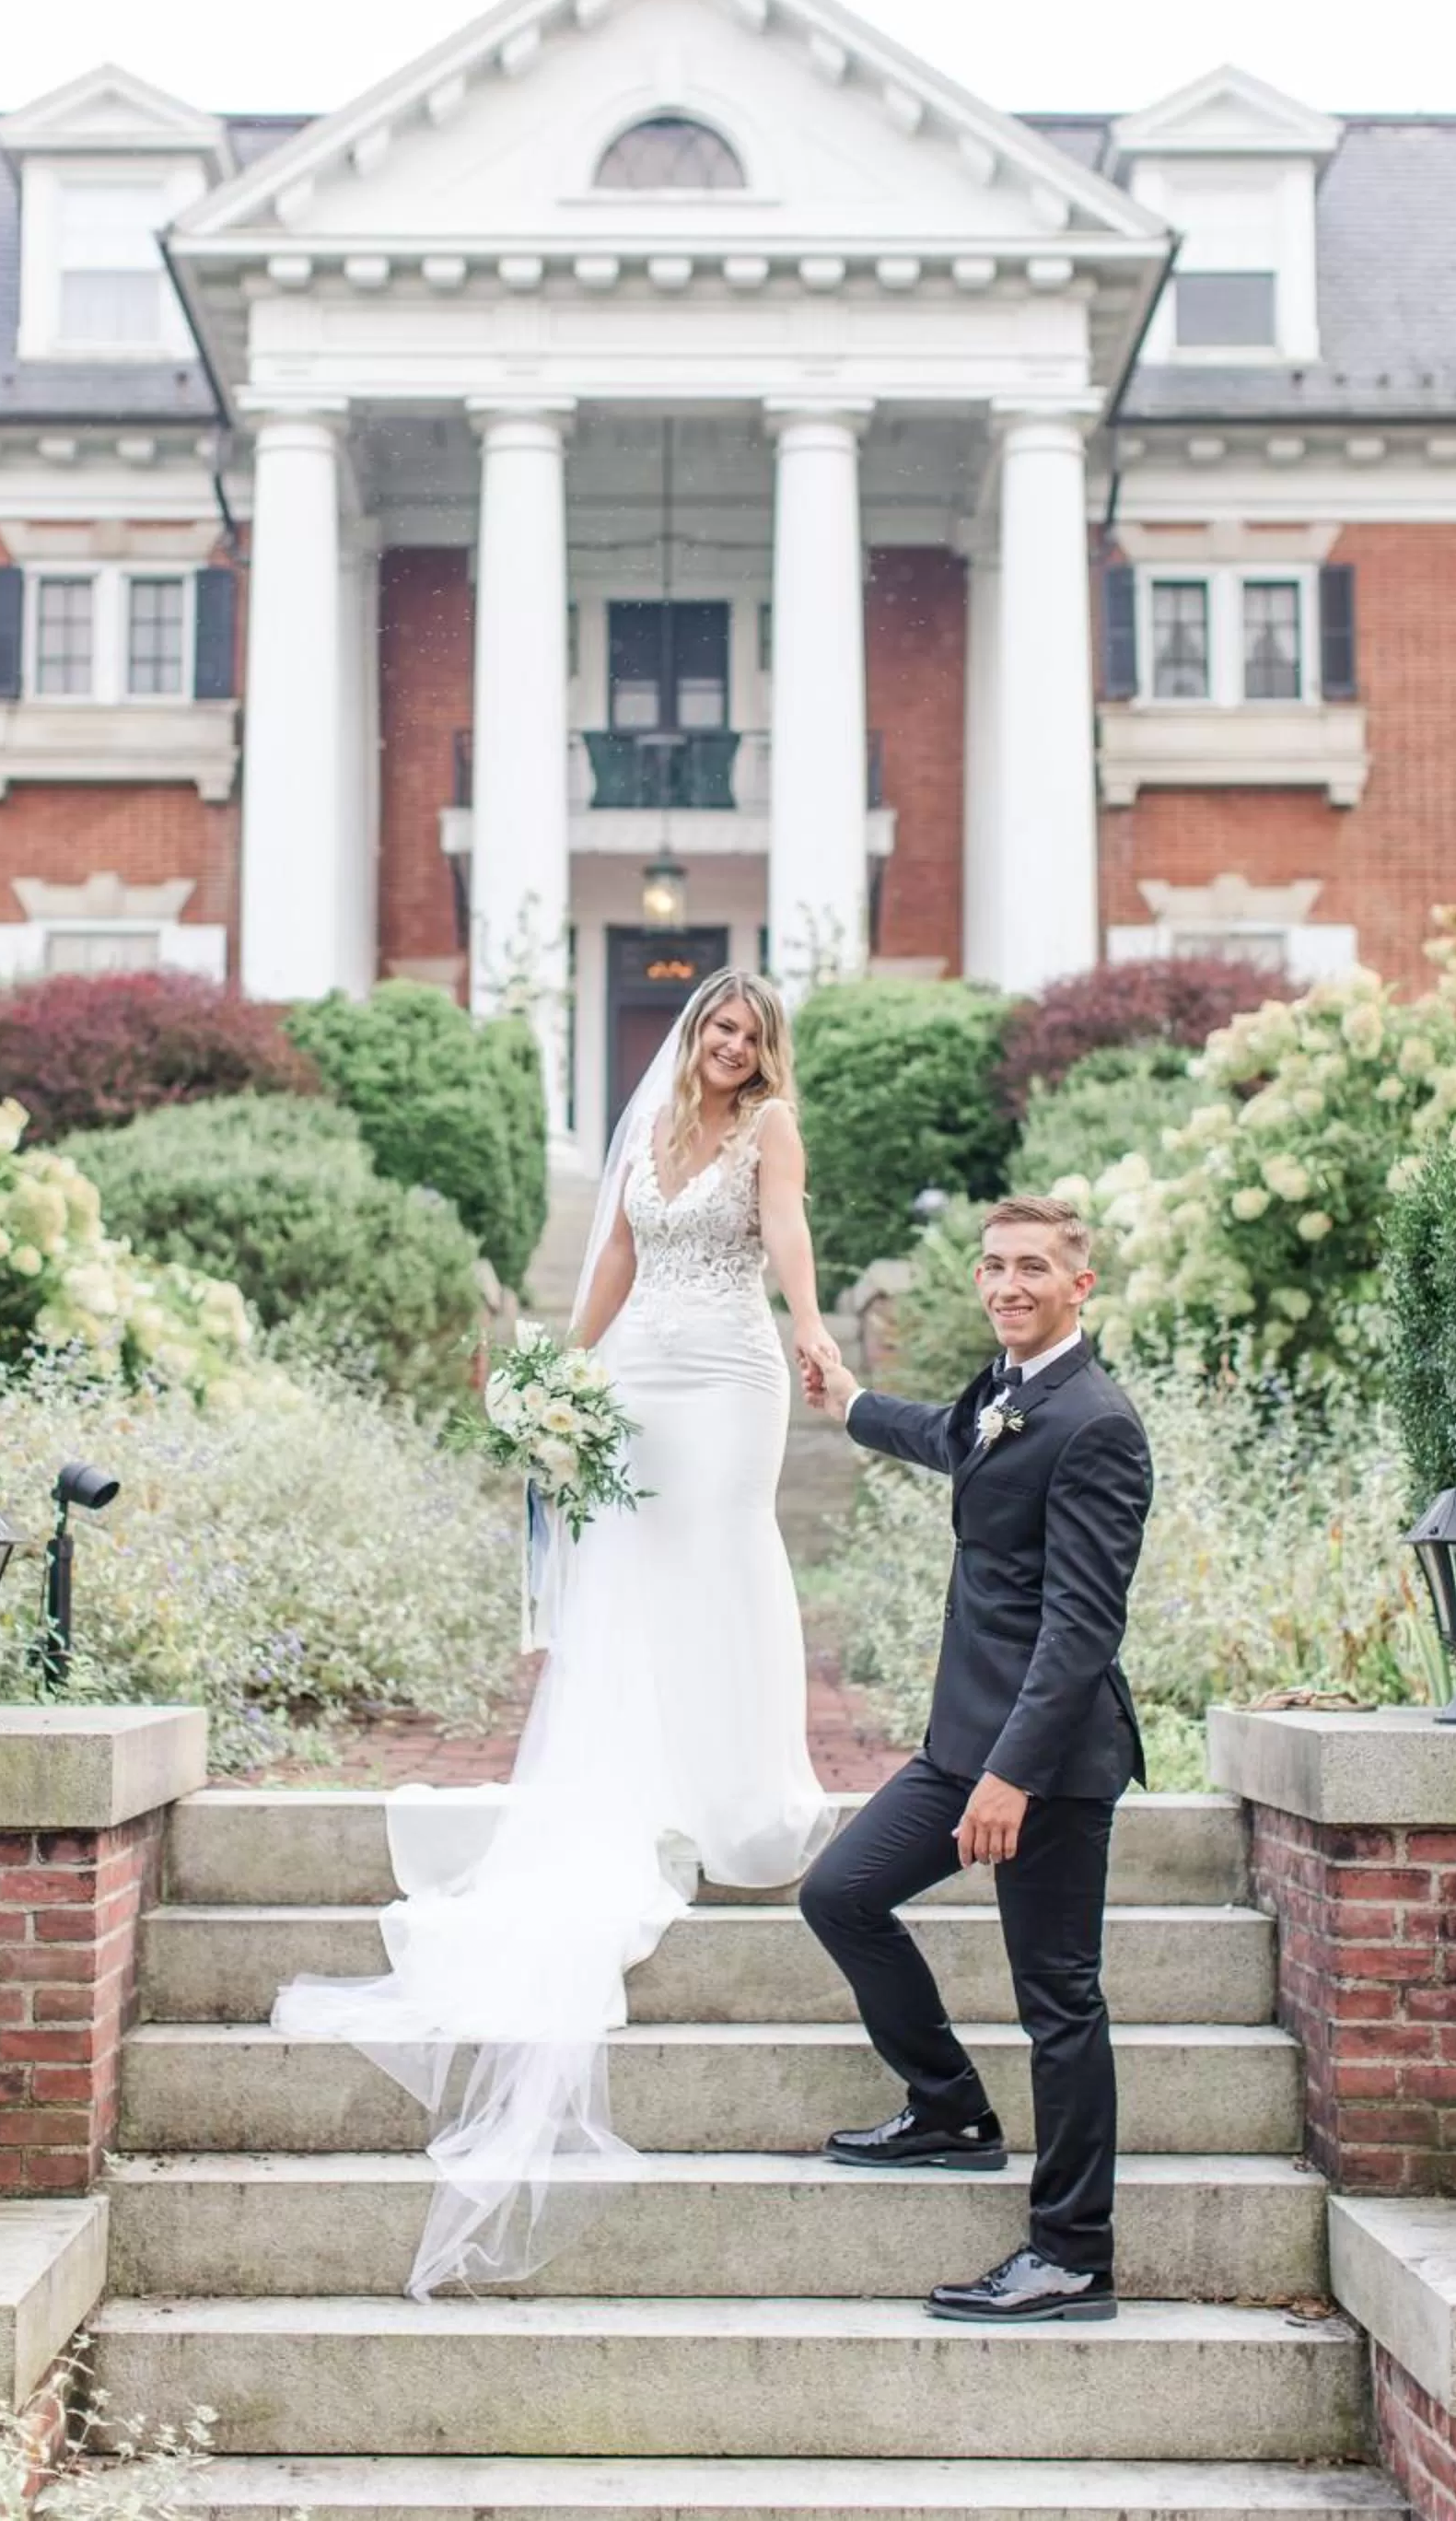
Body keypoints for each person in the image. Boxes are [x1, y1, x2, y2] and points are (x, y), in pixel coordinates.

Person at [272, 969, 840, 2295]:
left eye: (748, 1034)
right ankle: (642, 1780)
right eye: (716, 1029)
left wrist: (809, 1329)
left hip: (732, 1377)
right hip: (640, 1372)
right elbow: (627, 1255)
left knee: (724, 1548)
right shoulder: (649, 1134)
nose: (729, 1047)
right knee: (632, 1570)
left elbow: (790, 1234)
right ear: (693, 1037)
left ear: (765, 1052)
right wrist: (559, 1370)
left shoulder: (770, 1131)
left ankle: (740, 1784)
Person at [800, 1195, 1151, 2326]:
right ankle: (947, 2108)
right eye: (993, 1265)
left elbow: (1081, 1630)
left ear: (1078, 1286)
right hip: (965, 1743)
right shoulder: (1005, 1394)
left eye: (1032, 1268)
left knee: (1058, 2003)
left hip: (1041, 1762)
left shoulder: (1095, 1422)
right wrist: (850, 1405)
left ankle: (1070, 2254)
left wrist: (1010, 1774)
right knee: (839, 1893)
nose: (1007, 1284)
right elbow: (953, 1443)